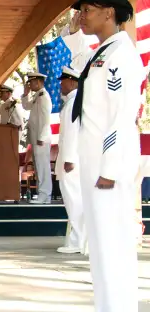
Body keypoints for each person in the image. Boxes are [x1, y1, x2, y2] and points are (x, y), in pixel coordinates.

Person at [72, 0, 142, 312]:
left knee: (113, 249)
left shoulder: (121, 56)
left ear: (109, 12)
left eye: (87, 9)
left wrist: (110, 168)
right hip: (94, 164)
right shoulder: (104, 51)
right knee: (99, 249)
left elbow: (120, 117)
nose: (80, 16)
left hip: (107, 168)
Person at [56, 67, 85, 254]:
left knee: (74, 201)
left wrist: (69, 158)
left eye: (64, 80)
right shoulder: (72, 102)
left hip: (71, 161)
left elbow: (73, 133)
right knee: (74, 200)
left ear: (73, 82)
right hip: (70, 159)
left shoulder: (74, 102)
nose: (61, 84)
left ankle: (77, 242)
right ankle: (77, 239)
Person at [22, 72, 52, 204]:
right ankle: (44, 195)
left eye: (32, 82)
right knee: (38, 166)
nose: (30, 84)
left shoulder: (44, 97)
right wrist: (25, 93)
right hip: (36, 138)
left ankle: (45, 193)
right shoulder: (37, 96)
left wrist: (42, 137)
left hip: (41, 138)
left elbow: (46, 119)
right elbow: (26, 106)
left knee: (42, 166)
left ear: (38, 82)